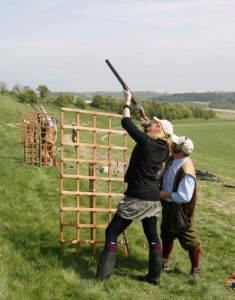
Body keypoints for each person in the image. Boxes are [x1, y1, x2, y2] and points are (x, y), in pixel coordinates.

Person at [96, 88, 174, 285]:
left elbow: (126, 122)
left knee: (112, 232)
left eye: (155, 123)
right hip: (153, 198)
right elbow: (150, 135)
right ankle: (155, 278)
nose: (152, 123)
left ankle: (101, 278)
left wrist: (127, 101)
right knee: (153, 237)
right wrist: (147, 123)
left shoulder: (147, 143)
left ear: (159, 131)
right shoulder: (164, 148)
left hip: (137, 197)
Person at [160, 134, 201, 277]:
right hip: (169, 206)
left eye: (175, 144)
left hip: (181, 210)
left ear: (180, 150)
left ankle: (195, 270)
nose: (172, 144)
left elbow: (185, 196)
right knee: (166, 233)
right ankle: (164, 262)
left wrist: (165, 195)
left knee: (190, 240)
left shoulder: (187, 171)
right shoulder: (174, 158)